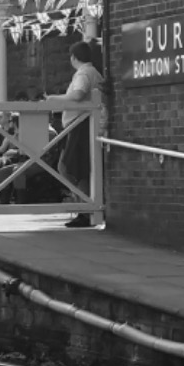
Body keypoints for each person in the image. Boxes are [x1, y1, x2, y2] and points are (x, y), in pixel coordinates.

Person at [45, 40, 105, 228]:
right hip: (82, 125)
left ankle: (84, 211)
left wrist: (54, 98)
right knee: (78, 170)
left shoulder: (83, 73)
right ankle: (84, 209)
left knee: (71, 169)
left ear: (74, 57)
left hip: (80, 126)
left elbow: (78, 95)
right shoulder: (93, 72)